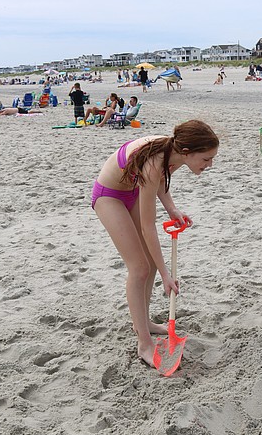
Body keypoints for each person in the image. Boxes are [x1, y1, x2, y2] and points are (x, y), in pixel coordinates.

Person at [91, 120, 219, 367]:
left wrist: (172, 208)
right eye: (206, 159)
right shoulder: (154, 161)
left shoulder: (175, 152)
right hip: (110, 196)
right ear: (187, 152)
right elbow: (149, 227)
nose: (210, 164)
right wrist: (166, 275)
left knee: (147, 261)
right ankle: (144, 344)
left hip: (133, 190)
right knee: (139, 268)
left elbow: (162, 180)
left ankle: (144, 323)